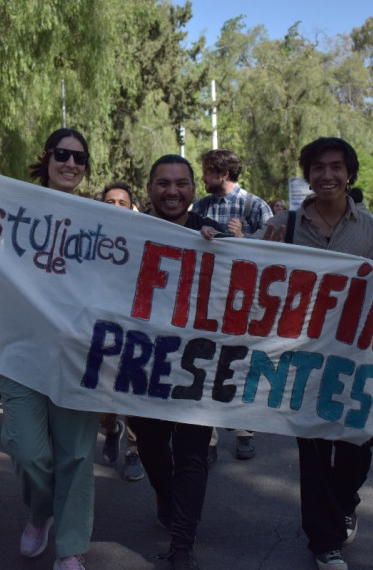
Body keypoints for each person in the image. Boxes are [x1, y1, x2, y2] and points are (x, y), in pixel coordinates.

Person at [259, 137, 373, 570]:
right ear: (308, 175)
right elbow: (246, 263)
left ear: (349, 173)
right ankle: (325, 542)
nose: (327, 175)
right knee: (313, 451)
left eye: (336, 167)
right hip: (300, 359)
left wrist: (361, 311)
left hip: (353, 356)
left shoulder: (368, 228)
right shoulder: (284, 225)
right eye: (318, 168)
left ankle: (345, 501)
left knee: (361, 438)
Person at [0, 128, 100, 570]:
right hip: (21, 352)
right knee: (26, 449)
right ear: (48, 157)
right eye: (63, 155)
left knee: (76, 454)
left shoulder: (101, 219)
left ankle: (71, 547)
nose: (71, 164)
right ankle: (41, 511)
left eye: (80, 158)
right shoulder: (14, 207)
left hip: (79, 356)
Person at [129, 154, 228, 570]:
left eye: (182, 183)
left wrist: (220, 247)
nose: (173, 191)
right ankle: (167, 500)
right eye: (163, 183)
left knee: (191, 454)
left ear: (193, 189)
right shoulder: (127, 235)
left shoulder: (217, 237)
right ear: (149, 188)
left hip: (195, 367)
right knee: (152, 447)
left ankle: (182, 543)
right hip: (140, 364)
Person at [192, 149, 270, 461]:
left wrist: (243, 238)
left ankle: (244, 429)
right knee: (208, 360)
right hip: (209, 295)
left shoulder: (255, 206)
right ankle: (209, 436)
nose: (203, 178)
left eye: (208, 172)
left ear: (223, 174)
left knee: (243, 360)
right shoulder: (200, 206)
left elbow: (273, 252)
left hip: (244, 298)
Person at [97, 182, 146, 482]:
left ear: (132, 207)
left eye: (122, 202)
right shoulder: (91, 235)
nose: (115, 206)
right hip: (101, 328)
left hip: (136, 328)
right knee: (104, 394)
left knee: (132, 392)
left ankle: (133, 450)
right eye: (109, 201)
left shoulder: (144, 235)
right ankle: (110, 427)